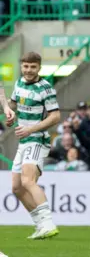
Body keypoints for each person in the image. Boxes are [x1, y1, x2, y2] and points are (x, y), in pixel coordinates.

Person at [9, 52, 61, 239]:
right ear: (21, 66)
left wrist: (31, 129)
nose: (29, 70)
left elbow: (55, 116)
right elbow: (13, 104)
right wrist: (9, 114)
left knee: (27, 181)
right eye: (25, 66)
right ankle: (40, 225)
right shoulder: (19, 83)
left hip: (37, 138)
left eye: (33, 67)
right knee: (16, 188)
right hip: (23, 140)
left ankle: (48, 223)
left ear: (39, 67)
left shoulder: (45, 88)